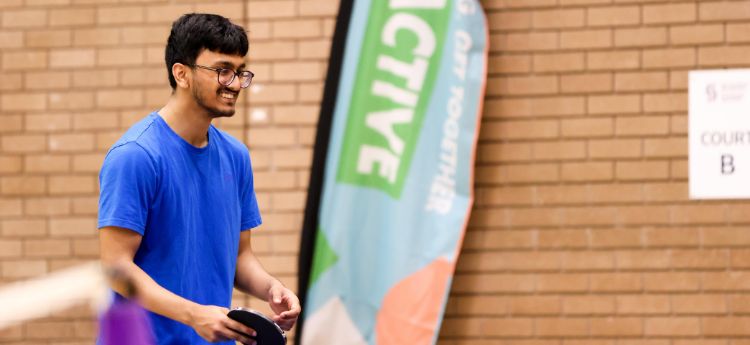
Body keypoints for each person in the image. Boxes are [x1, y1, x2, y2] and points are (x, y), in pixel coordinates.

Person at [97, 13, 300, 345]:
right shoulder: (135, 156)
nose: (234, 83)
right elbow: (116, 269)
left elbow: (239, 257)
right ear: (182, 74)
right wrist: (194, 314)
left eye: (239, 72)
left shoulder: (236, 156)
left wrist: (270, 288)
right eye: (222, 70)